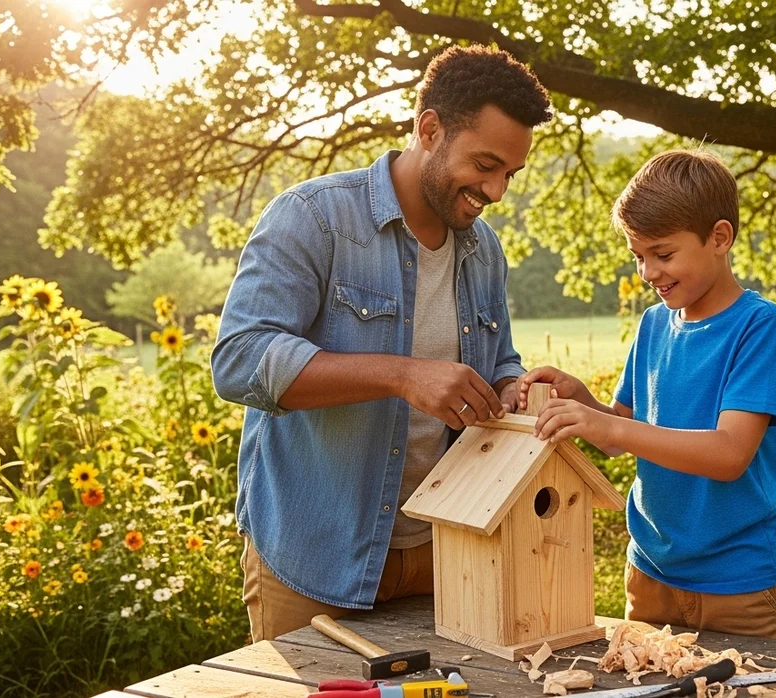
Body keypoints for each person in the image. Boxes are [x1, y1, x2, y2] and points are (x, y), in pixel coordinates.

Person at [211, 45, 553, 641]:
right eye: (486, 164)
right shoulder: (312, 218)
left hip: (447, 548)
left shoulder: (484, 250)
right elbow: (240, 362)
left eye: (510, 175)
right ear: (429, 129)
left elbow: (498, 361)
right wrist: (403, 374)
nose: (496, 191)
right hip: (316, 556)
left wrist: (516, 388)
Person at [518, 149, 776, 639]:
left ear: (719, 238)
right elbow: (618, 433)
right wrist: (583, 403)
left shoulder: (759, 327)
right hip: (649, 575)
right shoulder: (653, 325)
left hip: (738, 587)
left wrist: (613, 425)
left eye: (663, 254)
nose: (648, 272)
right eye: (639, 256)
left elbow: (730, 454)